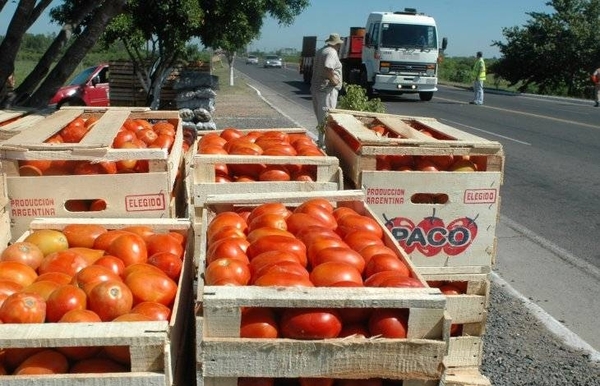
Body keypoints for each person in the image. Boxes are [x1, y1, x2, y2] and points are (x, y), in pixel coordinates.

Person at [311, 33, 343, 145]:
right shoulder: (332, 52)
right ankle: (324, 144)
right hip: (327, 90)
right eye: (339, 45)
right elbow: (328, 67)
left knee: (321, 118)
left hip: (316, 87)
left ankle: (321, 141)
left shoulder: (321, 51)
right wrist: (334, 80)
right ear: (337, 44)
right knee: (326, 118)